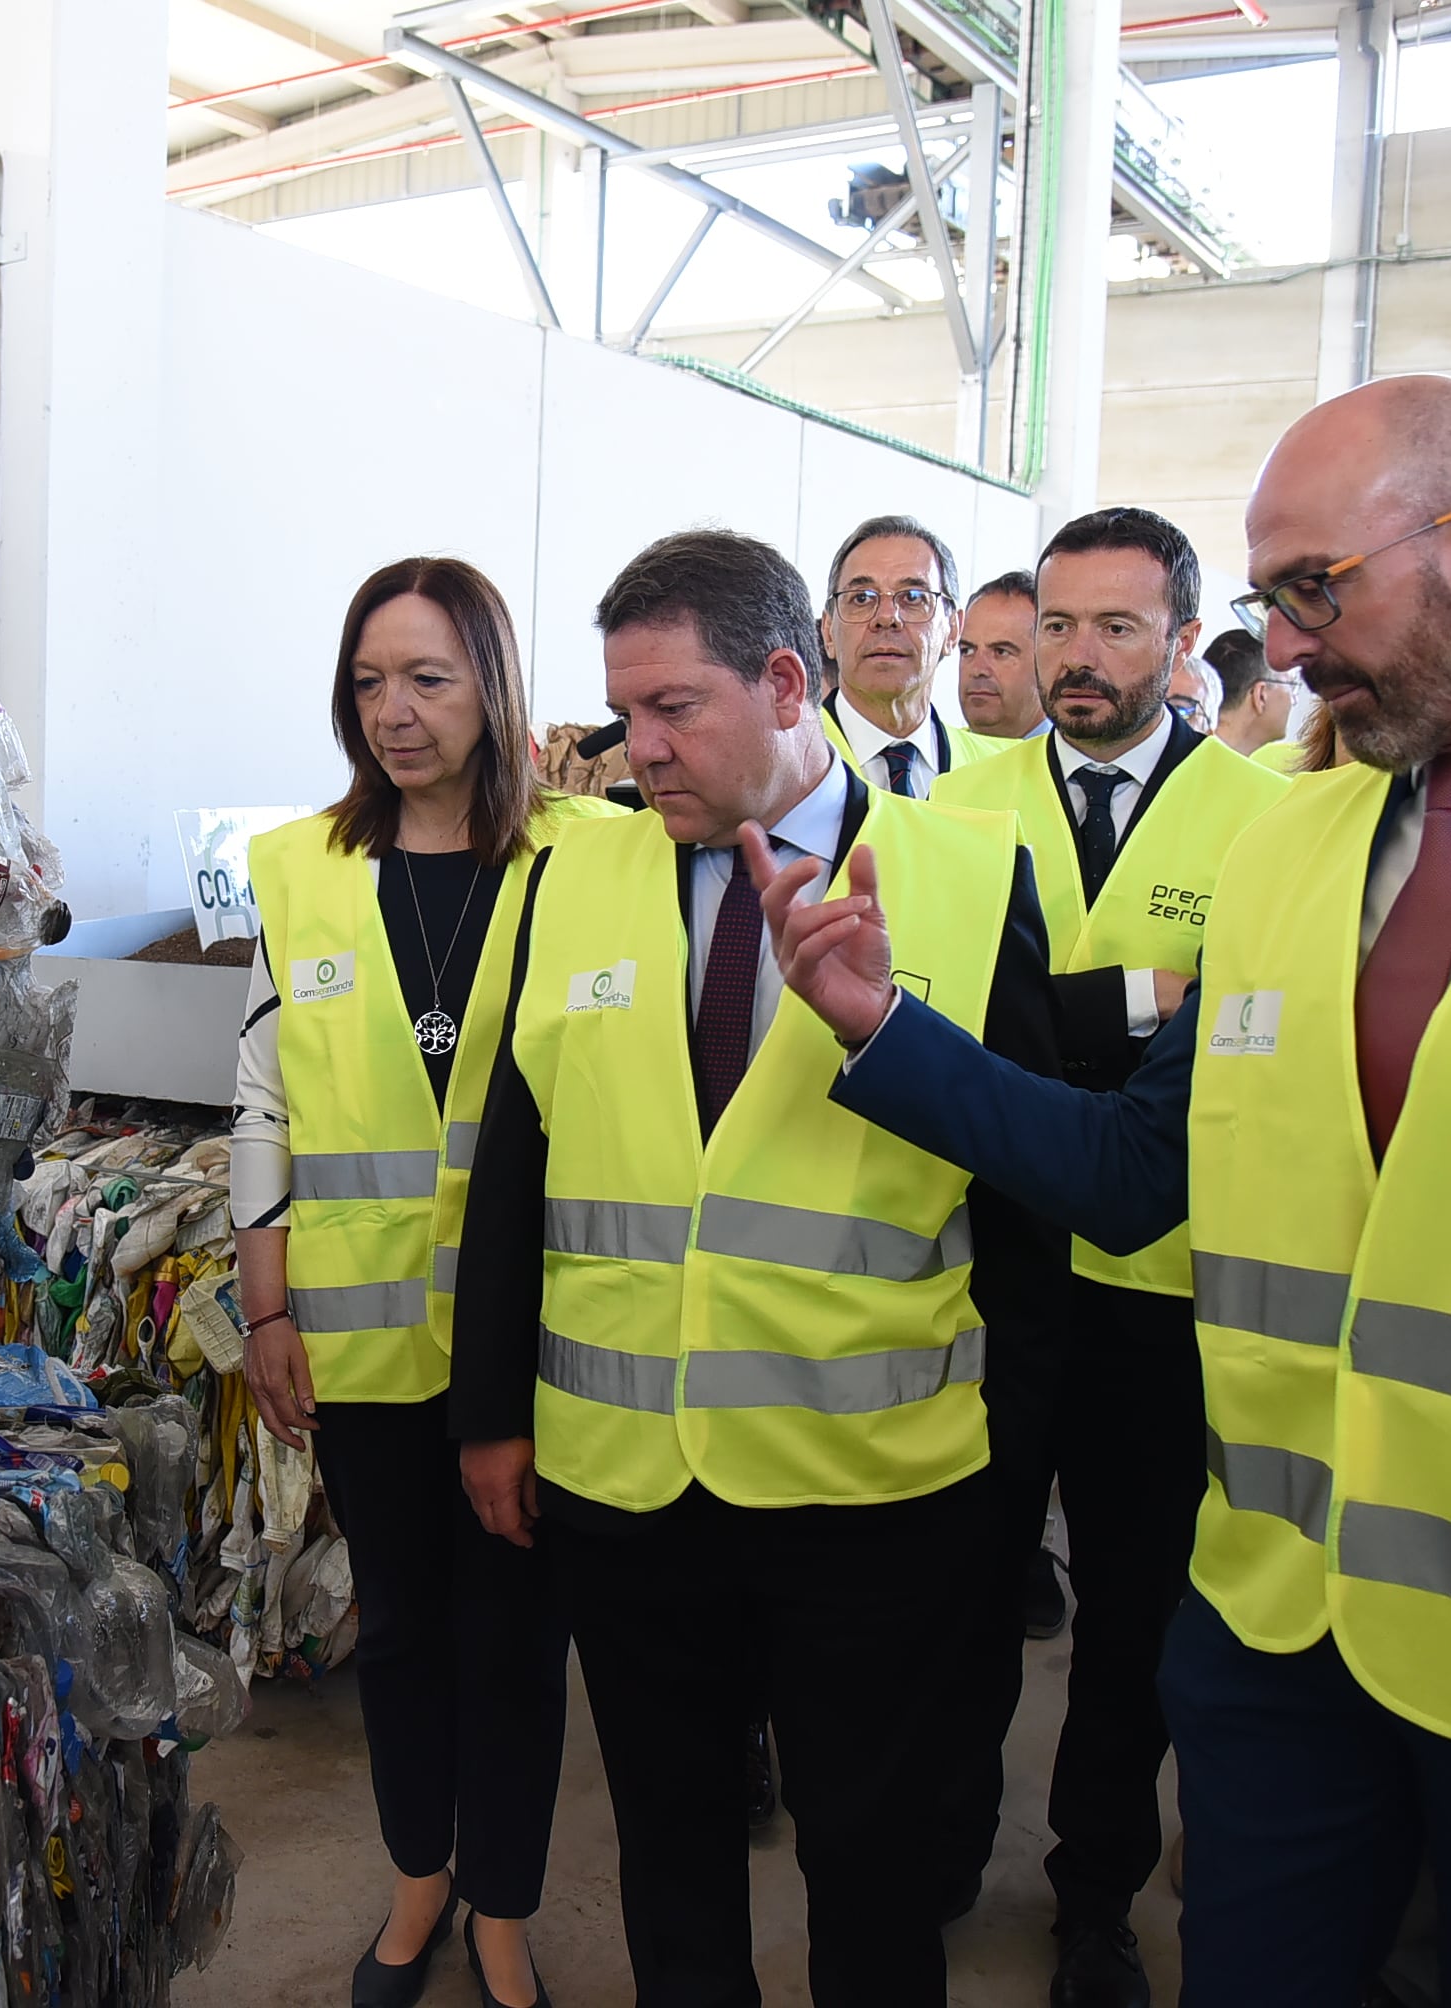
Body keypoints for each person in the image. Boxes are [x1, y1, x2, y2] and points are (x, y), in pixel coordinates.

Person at [755, 373, 1451, 2005]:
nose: (1276, 650)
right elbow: (1142, 1172)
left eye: (1307, 591)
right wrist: (883, 1031)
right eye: (1268, 596)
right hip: (1277, 1651)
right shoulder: (1287, 845)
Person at [450, 528, 1063, 2006]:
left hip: (872, 1497)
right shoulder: (570, 883)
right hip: (628, 1482)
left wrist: (1011, 1492)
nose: (637, 749)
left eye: (675, 711)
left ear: (787, 683)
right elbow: (515, 1168)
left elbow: (1034, 1210)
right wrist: (490, 1413)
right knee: (669, 1848)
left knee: (871, 1861)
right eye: (622, 715)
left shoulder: (969, 879)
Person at [234, 557, 618, 2008]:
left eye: (429, 679)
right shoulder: (300, 868)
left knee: (518, 1636)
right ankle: (417, 1885)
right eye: (368, 683)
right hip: (359, 1337)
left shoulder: (583, 855)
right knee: (397, 1625)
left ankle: (504, 1907)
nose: (393, 713)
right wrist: (265, 1309)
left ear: (495, 687)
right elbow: (261, 1099)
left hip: (534, 1337)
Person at [932, 507, 1290, 2008]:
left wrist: (1055, 1020)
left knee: (1133, 1624)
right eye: (1058, 628)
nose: (1081, 660)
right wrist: (1143, 1002)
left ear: (1181, 638)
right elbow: (941, 1027)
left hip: (1162, 1296)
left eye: (1118, 629)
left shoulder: (1272, 821)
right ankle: (942, 1846)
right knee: (960, 1595)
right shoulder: (958, 808)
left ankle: (1094, 1897)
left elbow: (1246, 1043)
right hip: (988, 1279)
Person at [813, 513, 1006, 795]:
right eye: (862, 598)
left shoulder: (1000, 773)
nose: (887, 617)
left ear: (953, 629)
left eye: (913, 597)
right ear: (829, 631)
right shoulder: (783, 764)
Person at [958, 570, 1049, 740]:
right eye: (967, 651)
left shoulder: (1069, 762)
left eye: (1001, 652)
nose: (977, 670)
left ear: (1046, 661)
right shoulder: (942, 758)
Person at [1203, 627, 1295, 760]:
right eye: (1292, 686)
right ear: (1261, 696)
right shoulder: (1235, 776)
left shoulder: (1184, 755)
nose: (1293, 700)